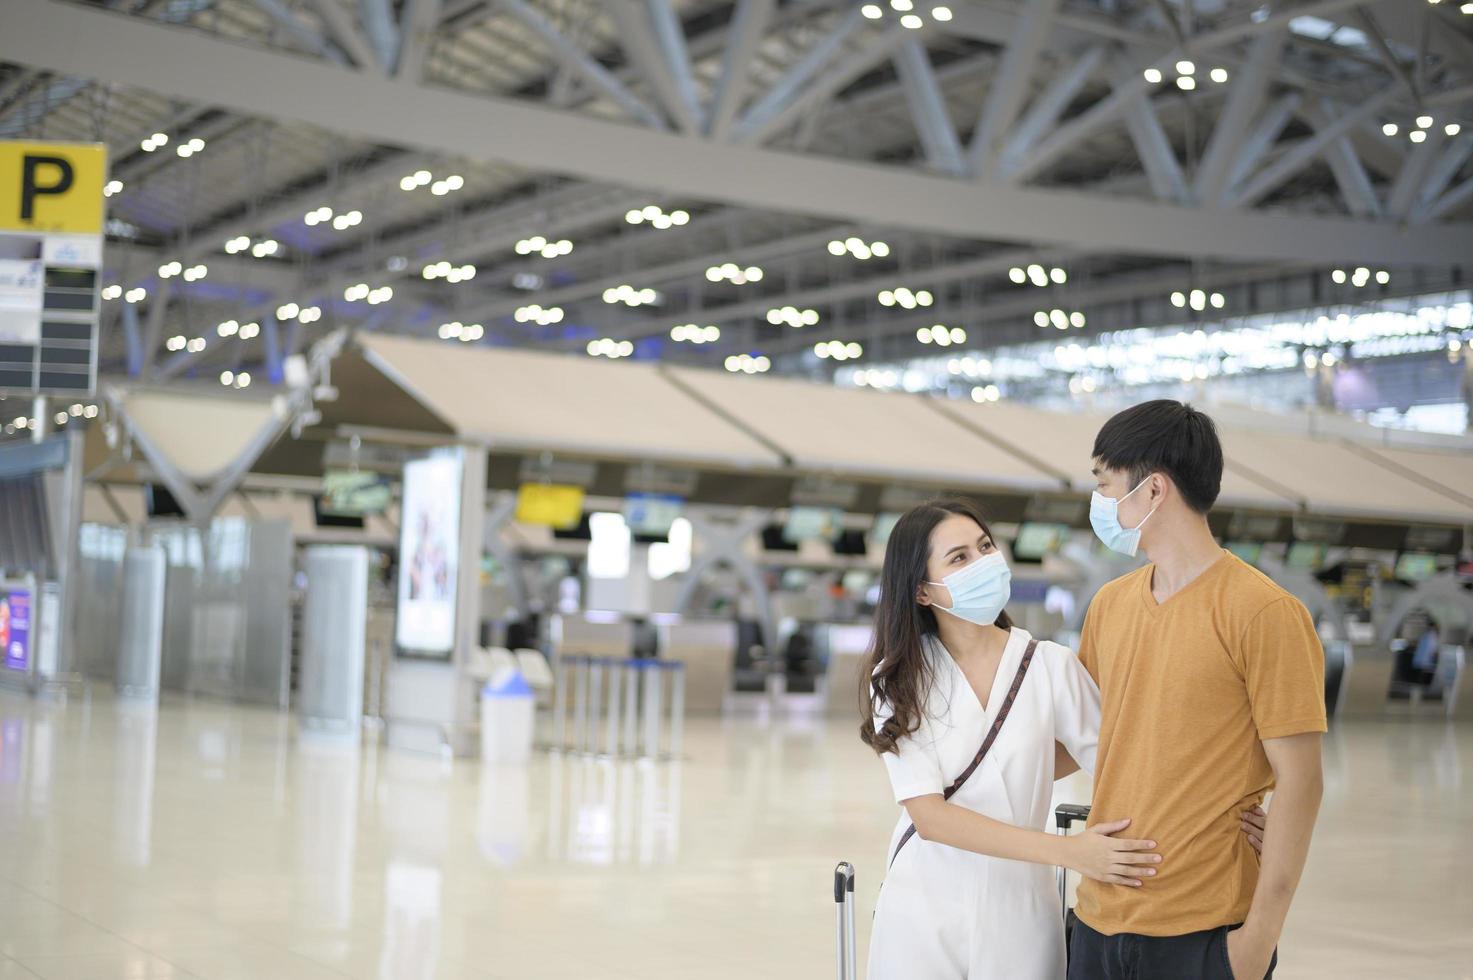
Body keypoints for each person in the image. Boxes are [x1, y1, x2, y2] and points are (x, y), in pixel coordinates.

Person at [860, 498, 1266, 979]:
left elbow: (1128, 758)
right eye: (959, 558)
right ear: (923, 592)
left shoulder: (1049, 665)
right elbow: (930, 817)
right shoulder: (900, 678)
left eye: (985, 547)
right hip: (922, 902)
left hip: (1022, 908)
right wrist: (1069, 852)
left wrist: (1227, 810)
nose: (983, 563)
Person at [1070, 400, 1326, 980]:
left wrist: (1258, 939)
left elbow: (1302, 781)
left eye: (1105, 484)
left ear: (1153, 490)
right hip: (1097, 918)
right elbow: (1079, 737)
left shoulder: (1263, 613)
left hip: (1206, 930)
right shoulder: (1110, 606)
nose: (1100, 502)